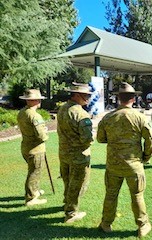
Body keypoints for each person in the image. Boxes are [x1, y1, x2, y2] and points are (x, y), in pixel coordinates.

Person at [97, 82, 152, 238]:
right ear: (133, 98)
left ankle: (106, 223)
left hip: (113, 165)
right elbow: (150, 141)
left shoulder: (108, 117)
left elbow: (100, 139)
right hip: (134, 165)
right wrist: (145, 157)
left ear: (118, 98)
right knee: (137, 196)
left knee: (111, 194)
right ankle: (142, 225)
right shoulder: (140, 117)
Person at [57, 83, 93, 223]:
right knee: (77, 184)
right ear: (77, 95)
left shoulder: (62, 109)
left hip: (64, 153)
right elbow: (87, 139)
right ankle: (71, 213)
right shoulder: (81, 113)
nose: (88, 98)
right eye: (86, 96)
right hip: (78, 155)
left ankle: (67, 203)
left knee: (67, 181)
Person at [17, 89, 48, 206]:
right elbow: (42, 136)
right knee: (34, 172)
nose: (40, 101)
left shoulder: (22, 112)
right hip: (35, 149)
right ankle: (31, 198)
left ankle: (34, 191)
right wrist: (46, 133)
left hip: (26, 146)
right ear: (34, 101)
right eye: (38, 99)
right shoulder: (34, 115)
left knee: (33, 170)